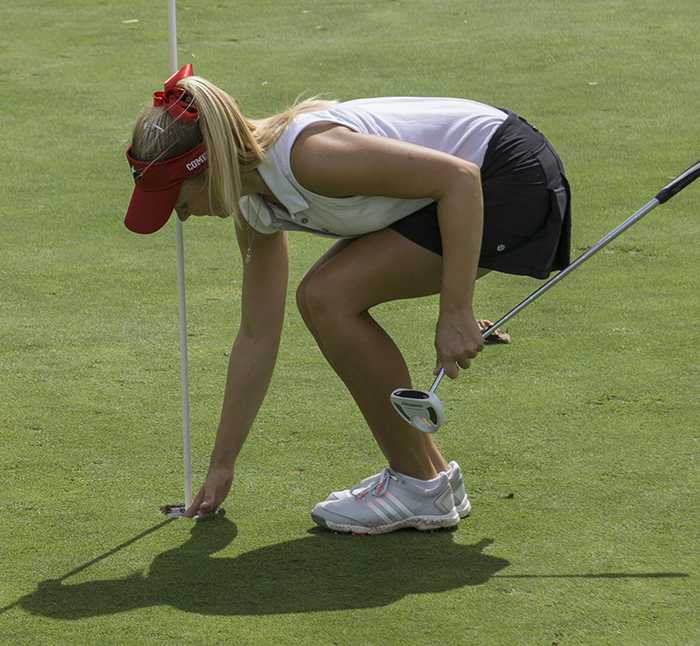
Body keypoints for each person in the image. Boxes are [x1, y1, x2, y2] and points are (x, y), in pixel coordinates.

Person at [123, 64, 571, 535]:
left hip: (506, 178)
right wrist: (222, 465)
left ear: (206, 166)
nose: (180, 216)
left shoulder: (308, 158)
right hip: (475, 183)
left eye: (176, 197)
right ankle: (432, 482)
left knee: (326, 297)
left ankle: (417, 482)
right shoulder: (255, 208)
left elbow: (459, 178)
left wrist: (456, 312)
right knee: (324, 296)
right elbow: (257, 336)